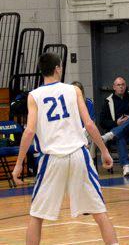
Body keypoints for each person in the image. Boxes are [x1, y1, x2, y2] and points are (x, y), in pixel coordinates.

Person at [11, 52, 118, 245]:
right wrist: (104, 150)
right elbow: (90, 125)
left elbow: (28, 132)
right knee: (99, 211)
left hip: (51, 159)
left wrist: (19, 164)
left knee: (36, 215)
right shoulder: (73, 90)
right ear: (57, 68)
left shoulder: (34, 96)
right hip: (79, 155)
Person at [99, 76, 129, 176]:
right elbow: (102, 122)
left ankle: (110, 135)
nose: (121, 87)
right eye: (118, 85)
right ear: (114, 87)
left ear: (126, 86)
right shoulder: (108, 101)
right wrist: (116, 123)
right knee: (120, 135)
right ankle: (126, 167)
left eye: (123, 85)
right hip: (118, 129)